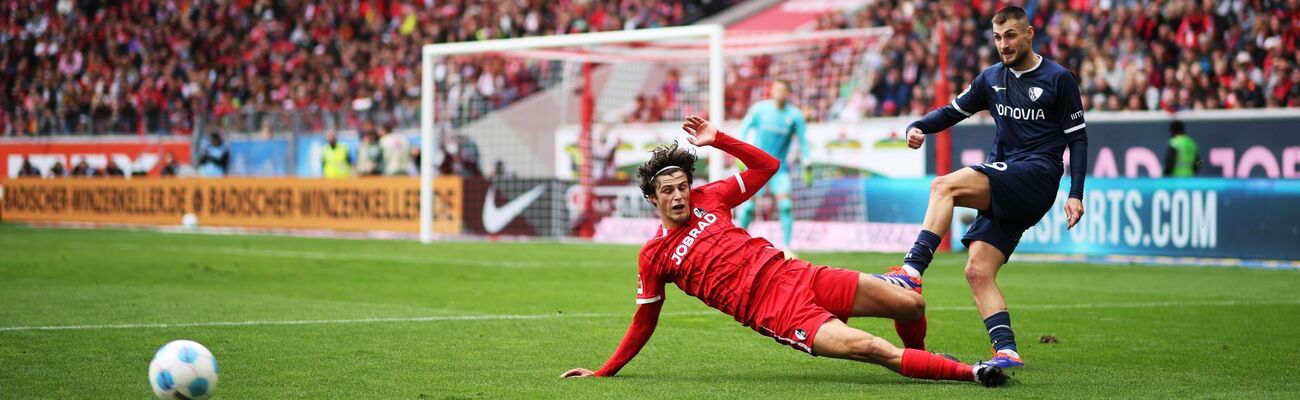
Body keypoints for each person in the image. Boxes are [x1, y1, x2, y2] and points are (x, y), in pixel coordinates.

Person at [560, 116, 1008, 387]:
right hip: (778, 312)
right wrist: (605, 371)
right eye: (668, 192)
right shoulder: (654, 256)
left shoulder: (711, 198)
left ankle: (929, 360)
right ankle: (972, 373)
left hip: (800, 274)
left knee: (911, 304)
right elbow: (645, 320)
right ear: (653, 199)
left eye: (682, 187)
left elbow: (767, 166)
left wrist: (718, 138)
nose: (679, 196)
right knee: (873, 349)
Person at [885, 6, 1089, 369]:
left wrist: (1075, 194)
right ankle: (1007, 351)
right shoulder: (991, 78)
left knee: (944, 186)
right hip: (1010, 182)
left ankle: (911, 272)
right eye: (997, 38)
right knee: (977, 270)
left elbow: (1078, 140)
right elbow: (951, 112)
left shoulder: (1059, 78)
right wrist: (917, 126)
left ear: (1029, 34)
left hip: (1036, 175)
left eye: (1010, 35)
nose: (1003, 44)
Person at [733, 80, 809, 256]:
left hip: (779, 168)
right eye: (776, 90)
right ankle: (737, 243)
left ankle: (787, 247)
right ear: (772, 92)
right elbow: (743, 130)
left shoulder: (795, 115)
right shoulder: (759, 110)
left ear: (788, 93)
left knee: (786, 206)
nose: (779, 93)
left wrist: (807, 161)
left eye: (783, 90)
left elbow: (803, 141)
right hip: (757, 167)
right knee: (749, 207)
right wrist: (739, 154)